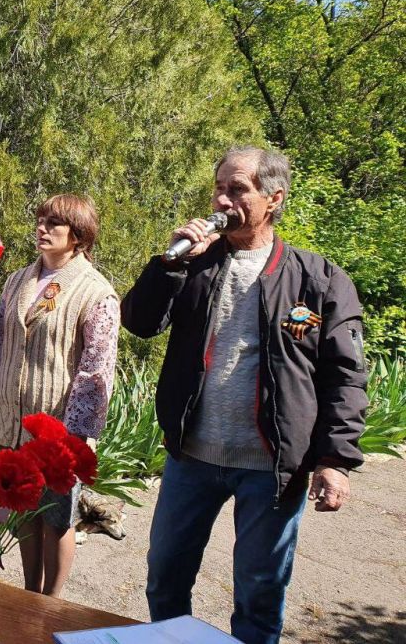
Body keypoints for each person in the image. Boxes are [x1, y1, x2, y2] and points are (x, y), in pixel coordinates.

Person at [121, 147, 369, 644]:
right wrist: (169, 263)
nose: (221, 199)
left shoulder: (317, 279)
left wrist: (335, 460)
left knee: (259, 593)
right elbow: (140, 322)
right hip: (192, 457)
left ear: (273, 198)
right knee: (165, 577)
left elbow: (345, 375)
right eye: (219, 188)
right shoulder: (192, 265)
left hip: (271, 466)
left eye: (237, 189)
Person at [0, 194, 119, 597]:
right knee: (23, 507)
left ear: (78, 235)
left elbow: (96, 370)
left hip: (59, 430)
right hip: (14, 419)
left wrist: (77, 436)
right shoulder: (18, 280)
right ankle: (29, 592)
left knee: (57, 518)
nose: (42, 228)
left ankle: (51, 603)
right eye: (40, 220)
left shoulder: (96, 292)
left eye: (53, 223)